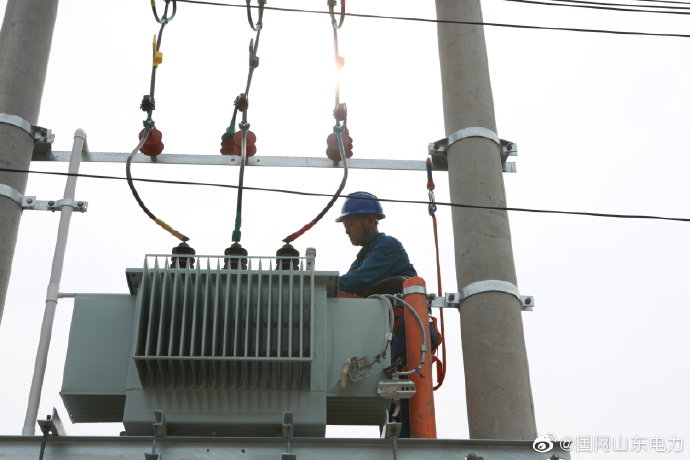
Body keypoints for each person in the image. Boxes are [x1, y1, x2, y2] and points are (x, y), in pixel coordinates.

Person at [336, 191, 417, 297]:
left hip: (401, 307)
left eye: (351, 224)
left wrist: (322, 285)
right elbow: (348, 282)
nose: (347, 231)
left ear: (369, 220)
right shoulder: (363, 257)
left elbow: (358, 280)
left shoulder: (387, 246)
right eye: (345, 226)